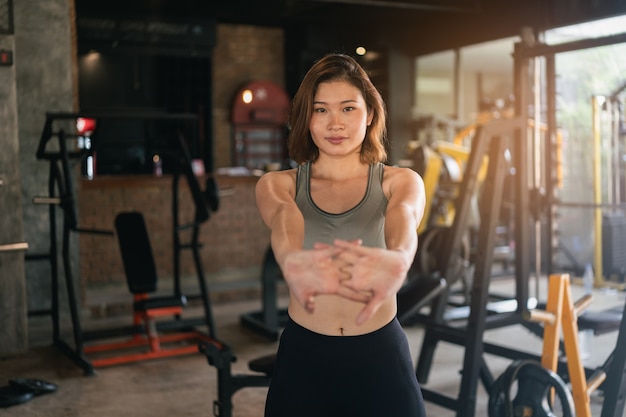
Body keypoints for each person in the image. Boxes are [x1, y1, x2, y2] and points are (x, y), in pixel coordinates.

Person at [256, 53, 427, 417]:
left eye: (348, 108)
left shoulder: (400, 181)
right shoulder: (278, 185)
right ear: (306, 119)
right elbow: (285, 217)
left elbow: (404, 216)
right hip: (305, 360)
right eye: (321, 110)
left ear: (370, 115)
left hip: (381, 357)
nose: (335, 123)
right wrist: (291, 259)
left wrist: (399, 258)